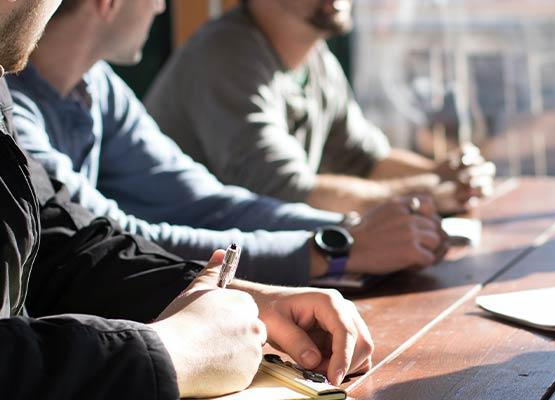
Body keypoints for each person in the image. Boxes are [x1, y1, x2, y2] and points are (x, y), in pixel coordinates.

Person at [0, 1, 373, 397]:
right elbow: (276, 181)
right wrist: (172, 350)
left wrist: (226, 296)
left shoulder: (77, 86)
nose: (162, 5)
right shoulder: (224, 52)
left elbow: (61, 242)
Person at [9, 0, 447, 287]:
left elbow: (205, 201)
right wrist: (334, 249)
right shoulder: (14, 113)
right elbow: (117, 241)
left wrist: (344, 229)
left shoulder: (96, 85)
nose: (161, 6)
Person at [145, 0, 496, 215]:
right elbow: (285, 193)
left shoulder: (314, 56)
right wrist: (426, 194)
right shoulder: (225, 54)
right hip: (188, 276)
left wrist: (447, 175)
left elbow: (365, 159)